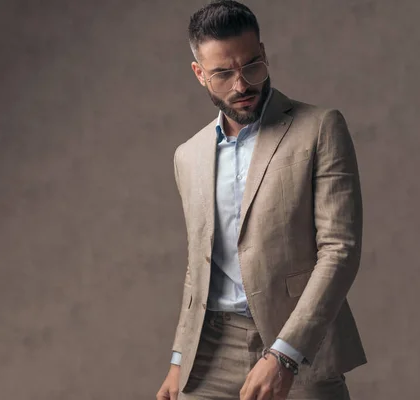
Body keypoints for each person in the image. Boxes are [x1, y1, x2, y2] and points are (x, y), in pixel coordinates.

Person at [157, 1, 367, 399]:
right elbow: (198, 265)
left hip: (299, 342)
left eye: (252, 65)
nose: (242, 85)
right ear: (199, 74)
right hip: (210, 352)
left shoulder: (319, 128)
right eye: (222, 73)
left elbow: (340, 250)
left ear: (265, 54)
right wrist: (179, 359)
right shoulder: (189, 155)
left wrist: (285, 355)